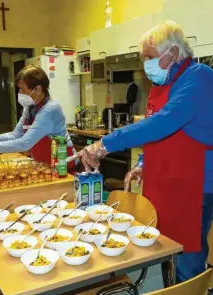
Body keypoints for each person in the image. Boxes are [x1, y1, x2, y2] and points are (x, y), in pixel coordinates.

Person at [72, 21, 213, 282]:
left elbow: (166, 121)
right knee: (164, 246)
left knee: (186, 255)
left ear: (172, 53)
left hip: (194, 185)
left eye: (149, 57)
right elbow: (157, 131)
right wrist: (143, 164)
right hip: (166, 181)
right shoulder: (162, 83)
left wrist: (105, 144)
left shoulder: (199, 76)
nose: (145, 64)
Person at [0, 65, 77, 170]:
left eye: (22, 89)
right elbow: (16, 134)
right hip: (45, 165)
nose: (19, 93)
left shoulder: (50, 109)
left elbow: (25, 143)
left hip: (65, 166)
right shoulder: (30, 107)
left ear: (38, 89)